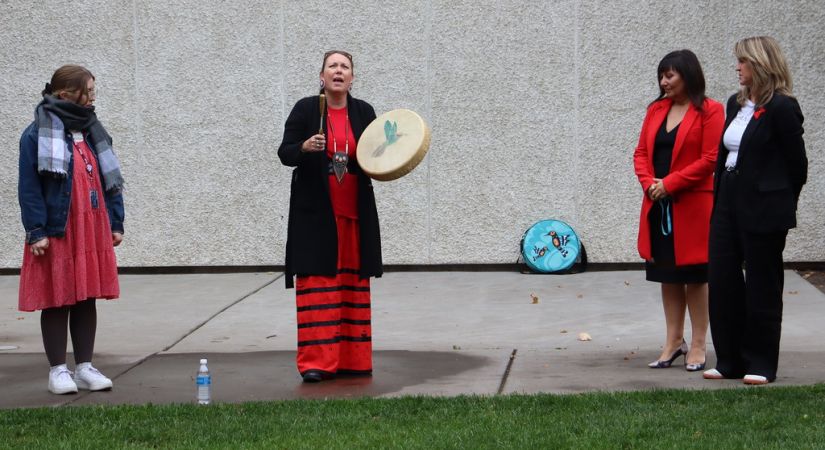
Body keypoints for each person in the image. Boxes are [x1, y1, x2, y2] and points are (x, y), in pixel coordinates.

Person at [704, 36, 807, 385]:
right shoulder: (736, 104)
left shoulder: (781, 107)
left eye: (743, 62)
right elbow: (727, 155)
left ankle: (761, 364)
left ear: (761, 65)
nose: (737, 67)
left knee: (762, 285)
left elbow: (797, 166)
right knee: (722, 280)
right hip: (727, 201)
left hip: (763, 207)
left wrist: (778, 202)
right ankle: (729, 360)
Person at [18, 65, 125, 394]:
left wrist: (116, 221)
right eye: (87, 91)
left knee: (85, 297)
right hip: (58, 229)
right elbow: (29, 187)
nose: (92, 97)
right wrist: (36, 230)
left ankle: (85, 367)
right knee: (58, 298)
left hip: (91, 226)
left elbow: (110, 181)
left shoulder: (92, 129)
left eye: (94, 91)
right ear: (65, 94)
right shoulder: (36, 133)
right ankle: (58, 371)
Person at [278, 50, 382, 383]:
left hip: (354, 214)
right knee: (319, 287)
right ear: (321, 77)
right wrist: (305, 147)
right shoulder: (306, 109)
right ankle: (316, 363)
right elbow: (285, 152)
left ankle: (353, 359)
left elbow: (379, 155)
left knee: (352, 286)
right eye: (332, 66)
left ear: (352, 78)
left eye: (345, 67)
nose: (338, 71)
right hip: (316, 215)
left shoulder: (364, 112)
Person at [633, 50, 723, 372]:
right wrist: (650, 184)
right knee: (667, 275)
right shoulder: (656, 109)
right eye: (661, 76)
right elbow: (641, 153)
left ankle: (698, 344)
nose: (663, 82)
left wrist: (670, 183)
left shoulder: (710, 110)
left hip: (693, 206)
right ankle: (673, 342)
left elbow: (711, 159)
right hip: (658, 203)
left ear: (688, 75)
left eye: (669, 76)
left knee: (695, 277)